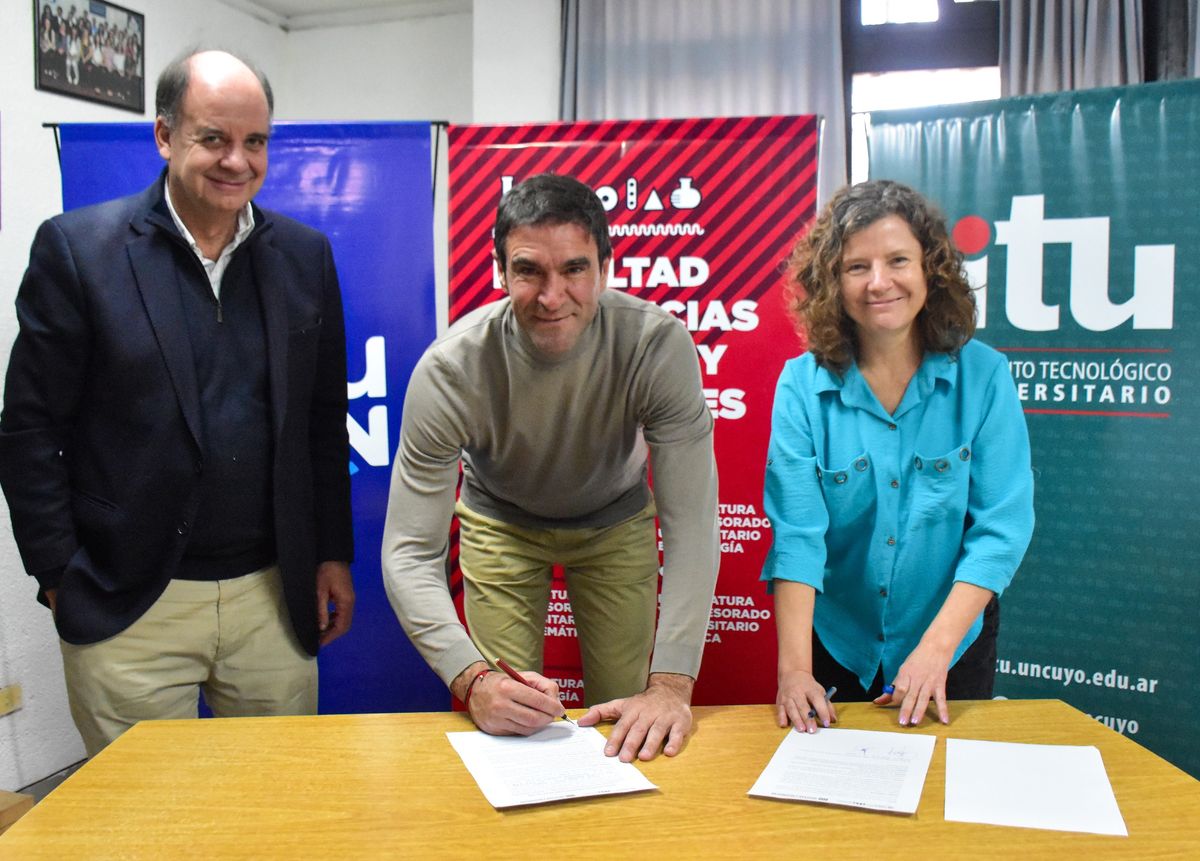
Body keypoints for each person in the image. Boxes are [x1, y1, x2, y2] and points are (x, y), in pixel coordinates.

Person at [0, 49, 354, 756]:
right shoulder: (79, 251)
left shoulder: (304, 255)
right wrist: (58, 575)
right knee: (148, 829)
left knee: (275, 813)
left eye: (255, 141)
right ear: (165, 136)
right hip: (131, 604)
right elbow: (30, 428)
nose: (237, 160)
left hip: (270, 601)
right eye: (213, 138)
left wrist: (330, 554)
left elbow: (319, 421)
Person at [382, 173, 719, 763]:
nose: (551, 295)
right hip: (500, 522)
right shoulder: (451, 371)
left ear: (606, 267)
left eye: (574, 269)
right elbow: (409, 552)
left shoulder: (656, 346)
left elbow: (691, 523)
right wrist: (472, 681)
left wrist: (670, 686)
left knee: (629, 720)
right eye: (529, 270)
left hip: (615, 520)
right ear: (501, 272)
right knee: (508, 722)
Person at [762, 179, 1034, 732]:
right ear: (831, 284)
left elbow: (1001, 527)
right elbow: (798, 535)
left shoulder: (984, 378)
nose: (878, 282)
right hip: (838, 639)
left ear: (929, 270)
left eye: (898, 260)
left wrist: (936, 650)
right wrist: (794, 671)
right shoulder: (800, 386)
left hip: (950, 641)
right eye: (856, 267)